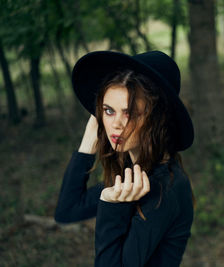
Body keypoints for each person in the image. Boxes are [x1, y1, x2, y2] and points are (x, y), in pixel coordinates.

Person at [54, 51, 195, 267]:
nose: (116, 124)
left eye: (129, 113)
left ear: (157, 119)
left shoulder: (163, 189)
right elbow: (67, 210)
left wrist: (112, 206)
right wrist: (88, 142)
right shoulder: (133, 170)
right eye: (108, 111)